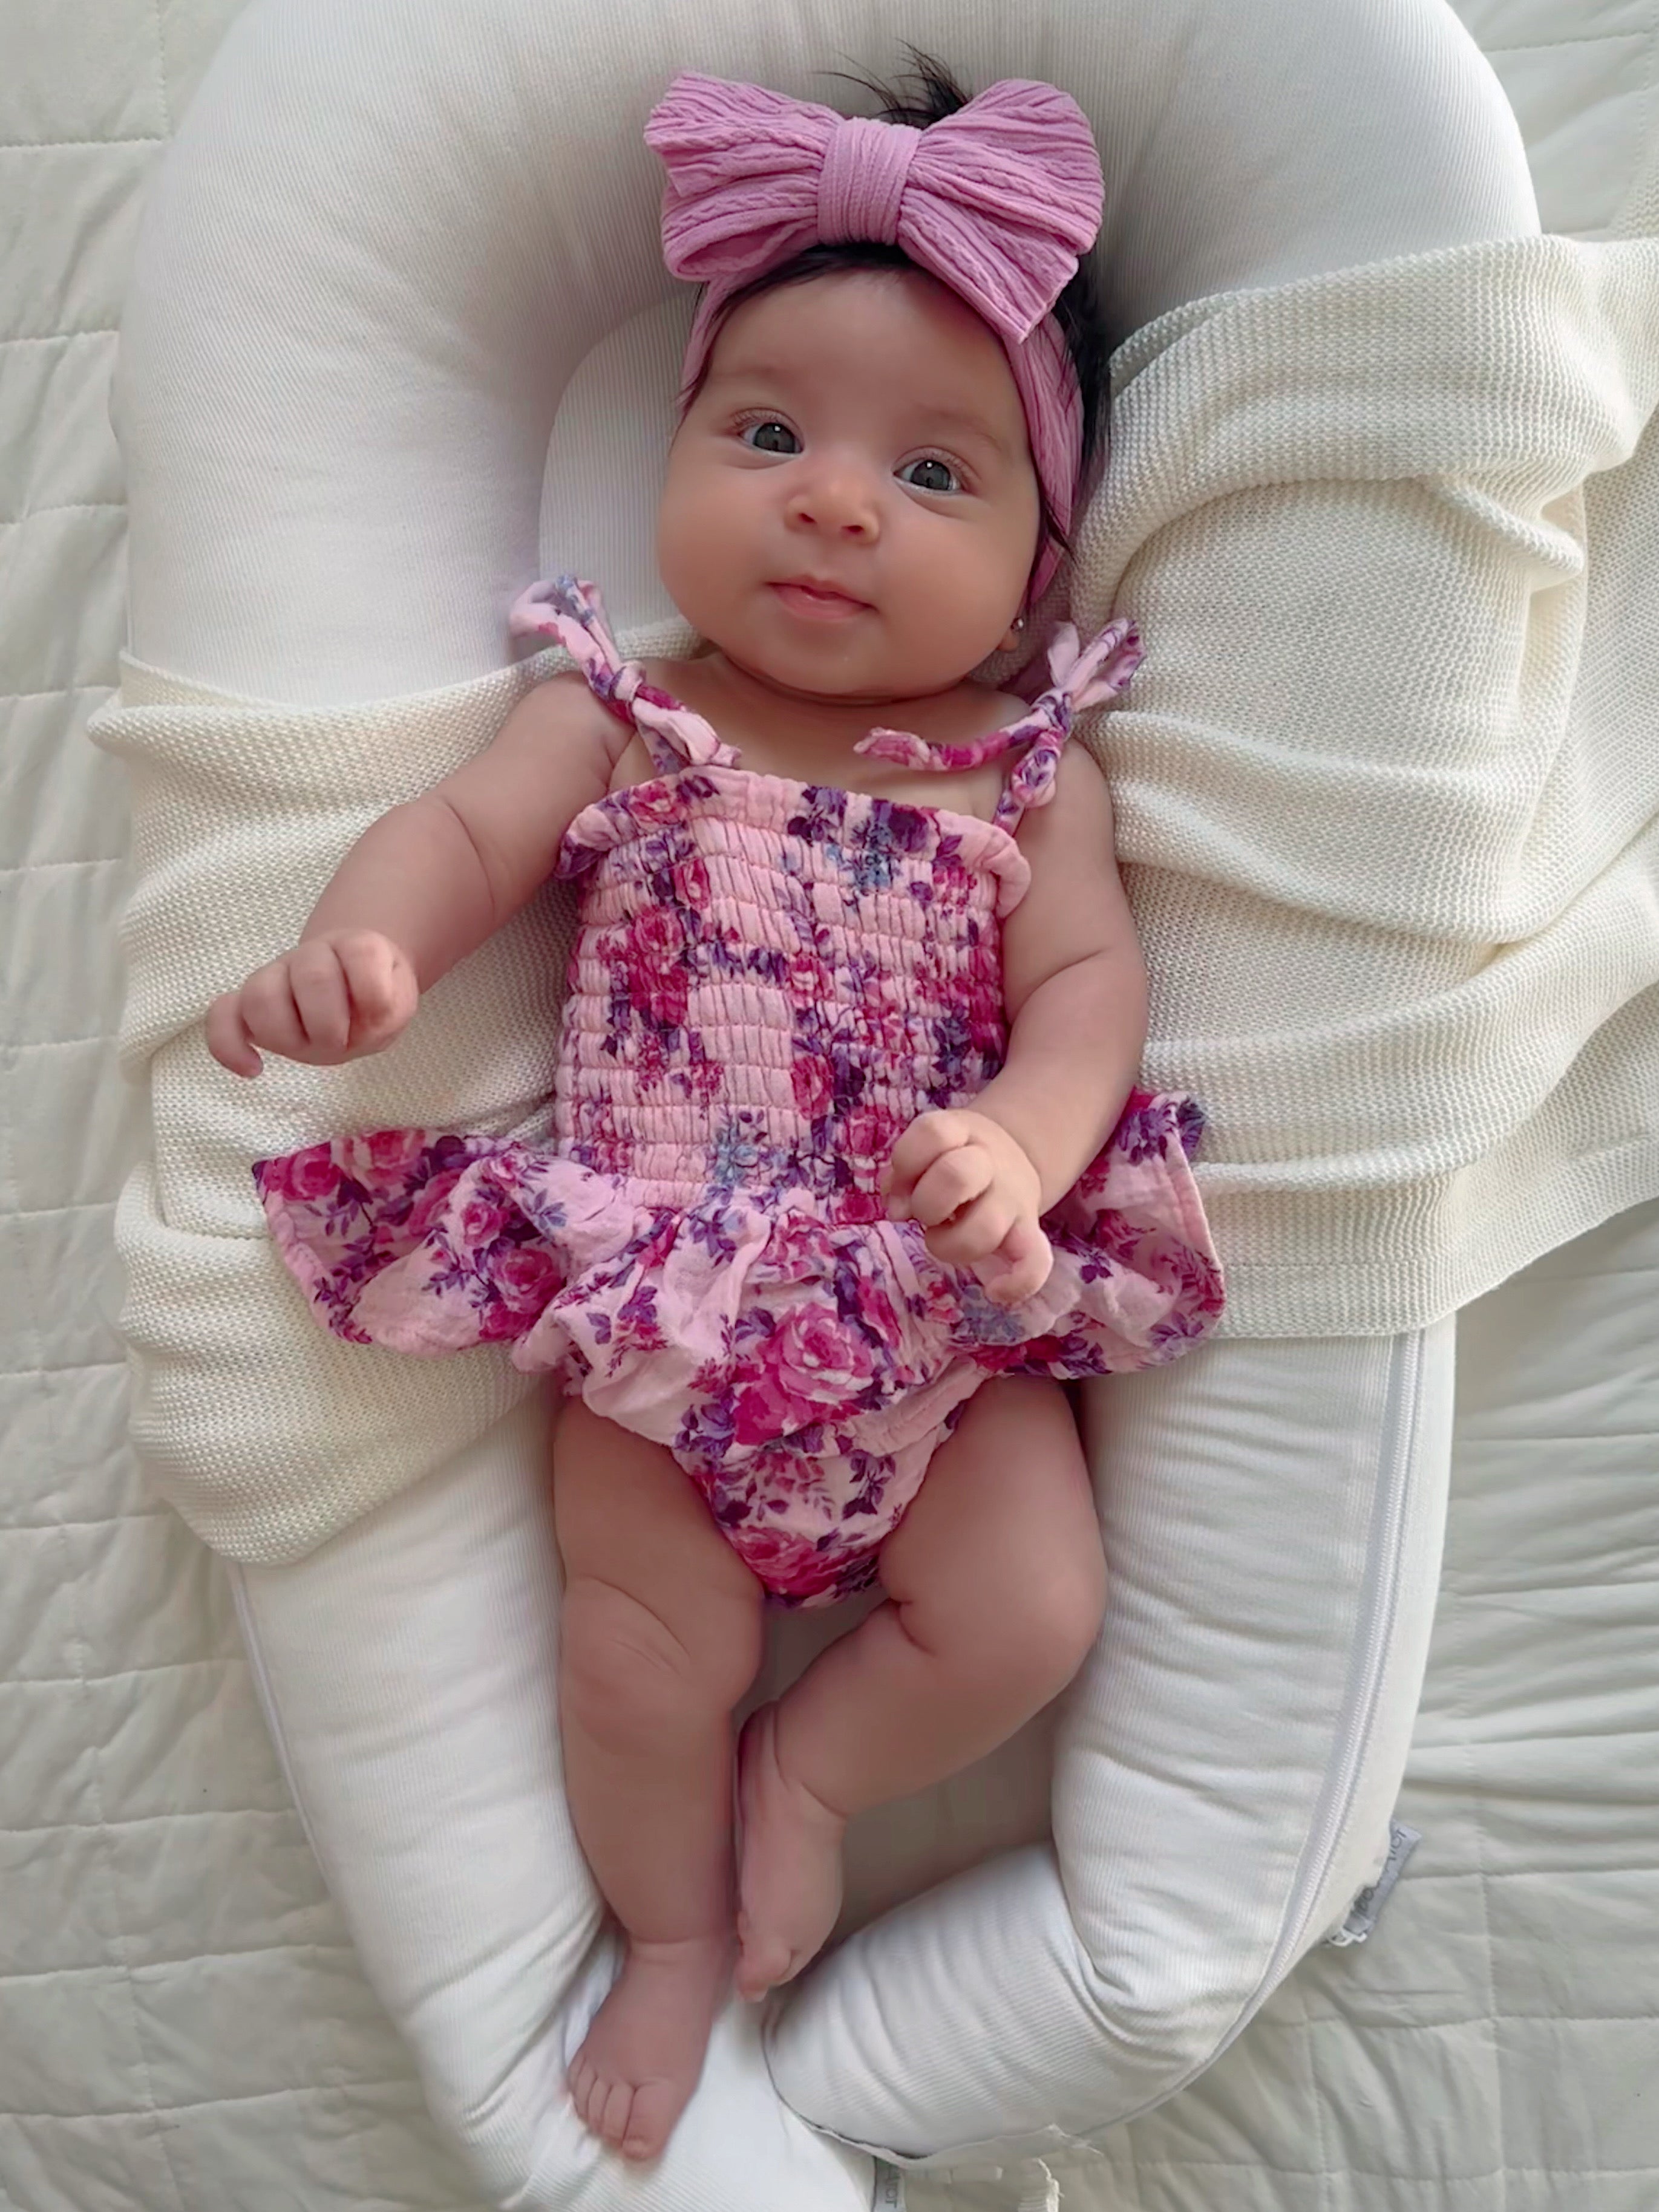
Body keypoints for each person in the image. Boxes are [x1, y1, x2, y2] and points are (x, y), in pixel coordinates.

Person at [207, 57, 1223, 2167]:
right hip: (657, 1296)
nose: (836, 500)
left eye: (932, 475)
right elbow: (459, 834)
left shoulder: (1026, 778)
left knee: (1031, 1606)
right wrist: (366, 947)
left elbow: (1091, 992)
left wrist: (1025, 1147)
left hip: (928, 1305)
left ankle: (829, 1772)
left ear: (1042, 567)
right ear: (671, 457)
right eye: (767, 436)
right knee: (634, 1656)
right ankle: (666, 1932)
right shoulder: (622, 708)